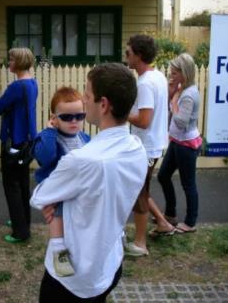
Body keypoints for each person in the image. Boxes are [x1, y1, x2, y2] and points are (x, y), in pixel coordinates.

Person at [31, 63, 148, 302]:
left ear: (103, 104)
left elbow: (39, 196)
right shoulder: (137, 149)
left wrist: (58, 196)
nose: (84, 99)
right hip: (110, 263)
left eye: (87, 94)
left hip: (74, 276)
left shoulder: (82, 160)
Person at [124, 35, 175, 256]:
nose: (126, 57)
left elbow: (144, 121)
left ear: (139, 55)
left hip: (146, 146)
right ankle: (163, 223)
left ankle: (140, 243)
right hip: (154, 144)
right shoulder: (158, 76)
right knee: (140, 188)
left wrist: (123, 113)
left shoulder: (145, 83)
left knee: (139, 194)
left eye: (128, 53)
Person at [32, 87, 90, 276]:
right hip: (56, 188)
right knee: (57, 216)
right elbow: (45, 157)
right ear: (54, 118)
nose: (74, 121)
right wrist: (49, 131)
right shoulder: (49, 138)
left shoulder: (84, 138)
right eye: (66, 117)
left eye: (79, 116)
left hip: (77, 189)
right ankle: (59, 252)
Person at [0, 48, 37, 243]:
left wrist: (0, 110)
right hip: (27, 140)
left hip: (13, 142)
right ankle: (23, 221)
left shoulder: (16, 87)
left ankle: (20, 231)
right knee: (23, 183)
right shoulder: (33, 84)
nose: (8, 63)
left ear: (18, 63)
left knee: (12, 186)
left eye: (10, 60)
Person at [157, 53, 201, 234]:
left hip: (186, 146)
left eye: (175, 73)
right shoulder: (183, 88)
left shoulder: (189, 95)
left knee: (188, 184)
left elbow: (181, 122)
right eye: (171, 72)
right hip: (177, 141)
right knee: (163, 175)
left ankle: (190, 223)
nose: (171, 75)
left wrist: (174, 101)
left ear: (185, 73)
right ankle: (170, 214)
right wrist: (172, 93)